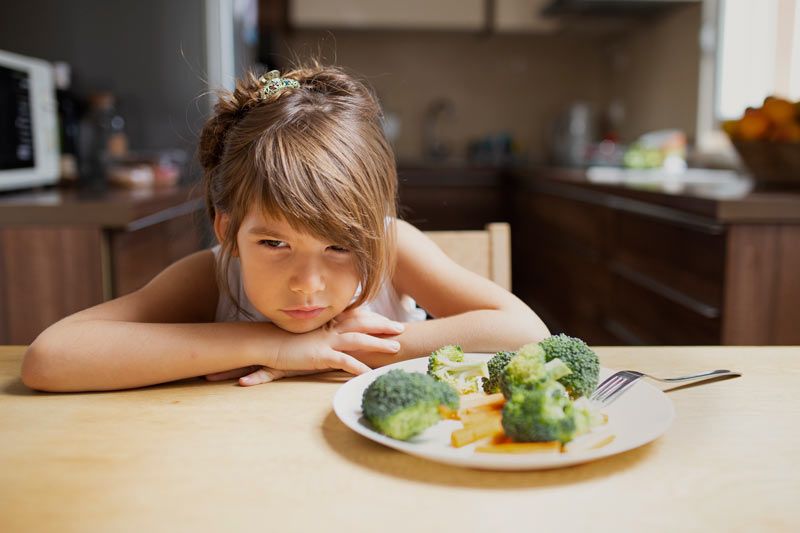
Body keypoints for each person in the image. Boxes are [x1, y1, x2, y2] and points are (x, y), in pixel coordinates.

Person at [21, 63, 549, 392]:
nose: (307, 284)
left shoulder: (392, 246)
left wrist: (344, 345)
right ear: (226, 229)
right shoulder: (214, 277)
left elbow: (528, 333)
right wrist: (269, 345)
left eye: (340, 246)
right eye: (274, 243)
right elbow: (51, 358)